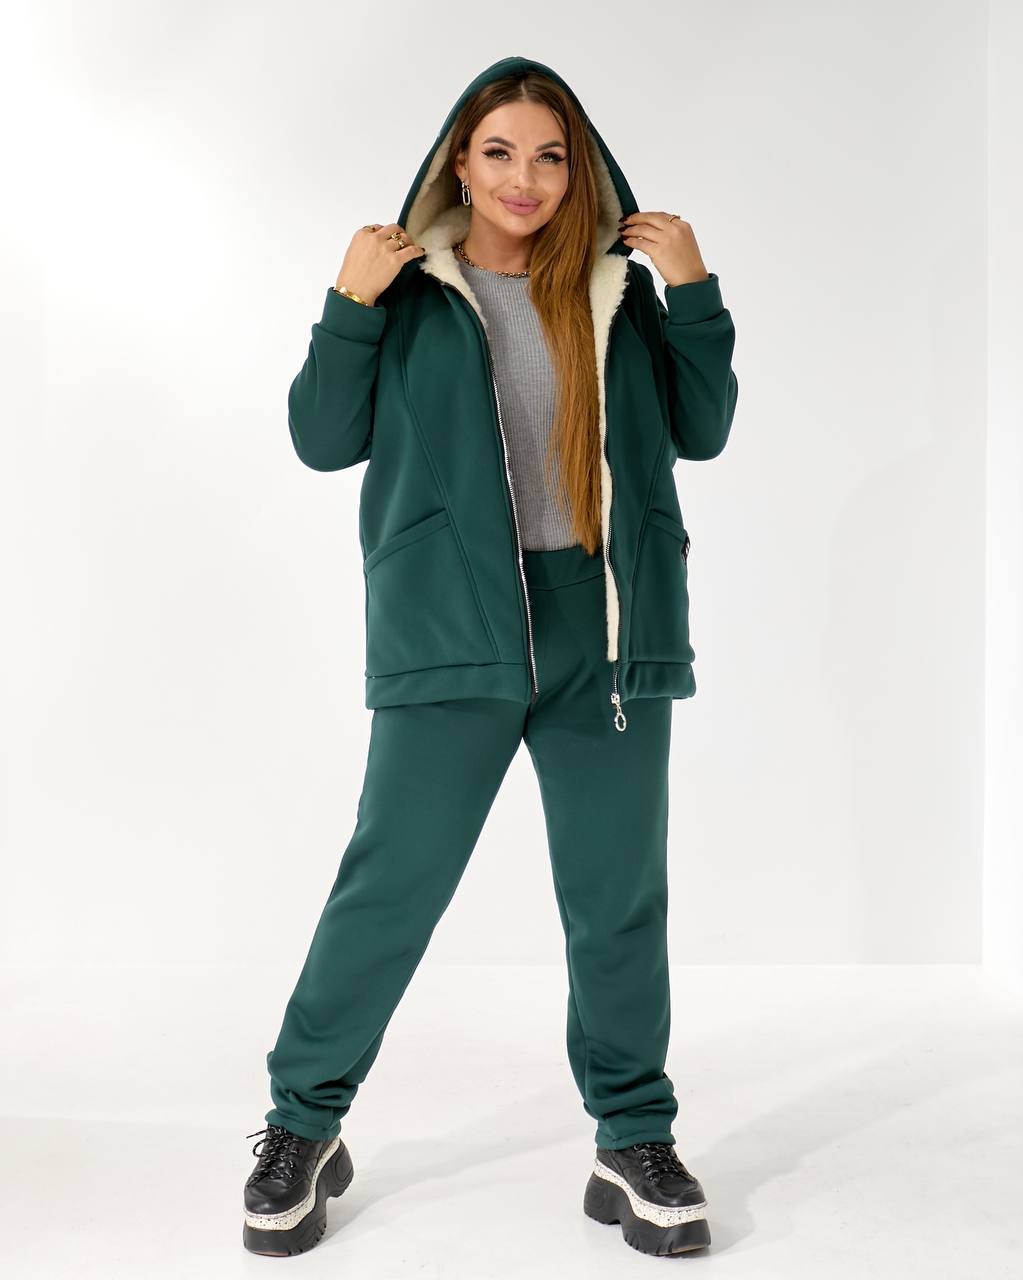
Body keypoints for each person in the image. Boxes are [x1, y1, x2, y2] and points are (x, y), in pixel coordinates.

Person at [242, 53, 738, 1260]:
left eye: (552, 155)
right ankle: (302, 1123)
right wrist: (349, 302)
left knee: (617, 897)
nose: (527, 177)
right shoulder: (412, 292)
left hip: (604, 626)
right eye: (502, 151)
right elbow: (321, 439)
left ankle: (633, 1135)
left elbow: (704, 427)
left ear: (581, 171)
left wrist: (692, 289)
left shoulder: (618, 293)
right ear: (458, 163)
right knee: (390, 884)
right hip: (451, 622)